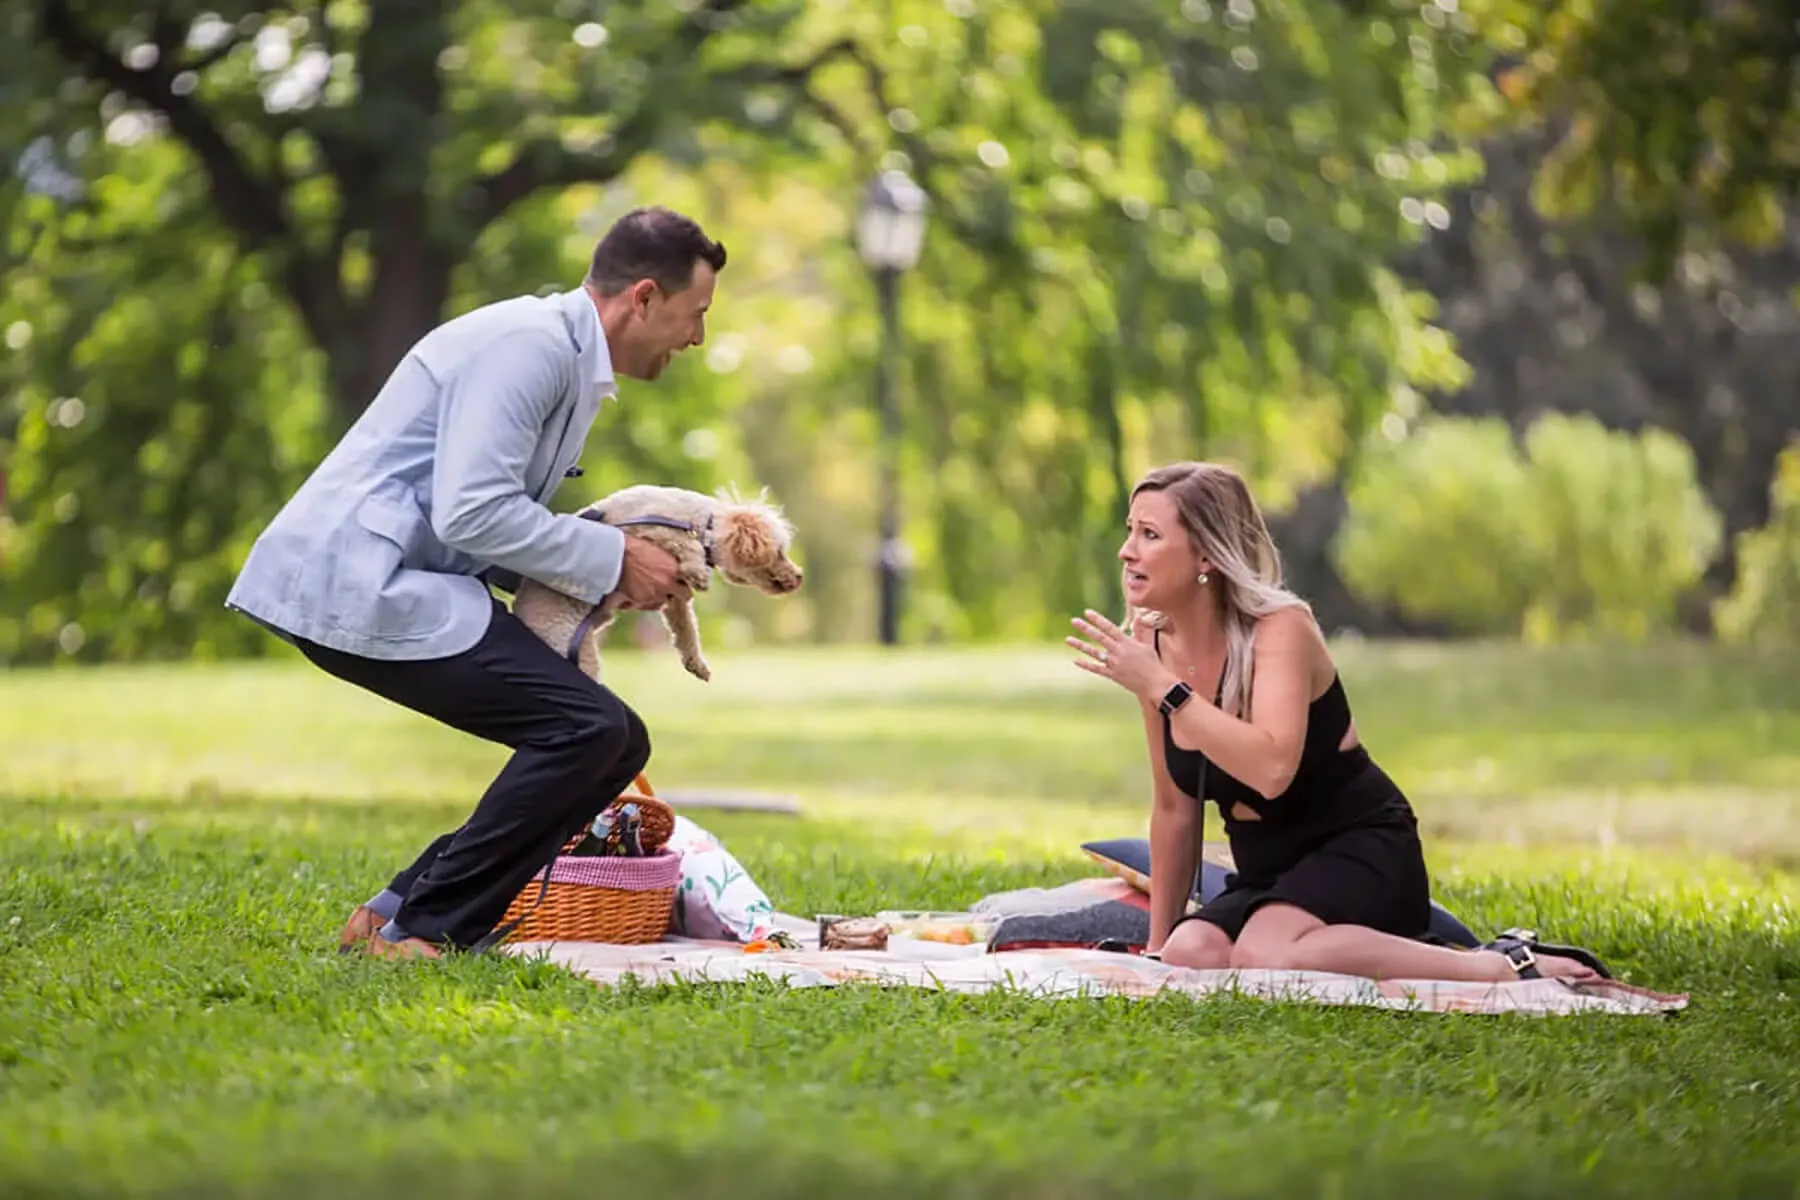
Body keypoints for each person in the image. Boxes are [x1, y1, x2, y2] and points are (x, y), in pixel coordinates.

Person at [224, 206, 727, 960]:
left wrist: (614, 568)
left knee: (613, 739)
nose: (697, 338)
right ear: (644, 297)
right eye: (695, 316)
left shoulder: (563, 358)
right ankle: (419, 929)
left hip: (402, 578)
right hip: (359, 580)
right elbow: (473, 513)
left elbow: (482, 514)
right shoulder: (528, 348)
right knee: (586, 731)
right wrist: (613, 558)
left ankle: (397, 910)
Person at [1067, 461, 1602, 985]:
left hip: (1361, 847)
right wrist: (1157, 952)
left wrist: (1162, 687)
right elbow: (1174, 807)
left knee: (1263, 954)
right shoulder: (1152, 644)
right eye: (1131, 531)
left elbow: (1272, 767)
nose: (1127, 550)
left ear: (1207, 552)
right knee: (1193, 951)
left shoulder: (1280, 630)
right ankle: (1340, 941)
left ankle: (1495, 964)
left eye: (1150, 534)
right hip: (1269, 873)